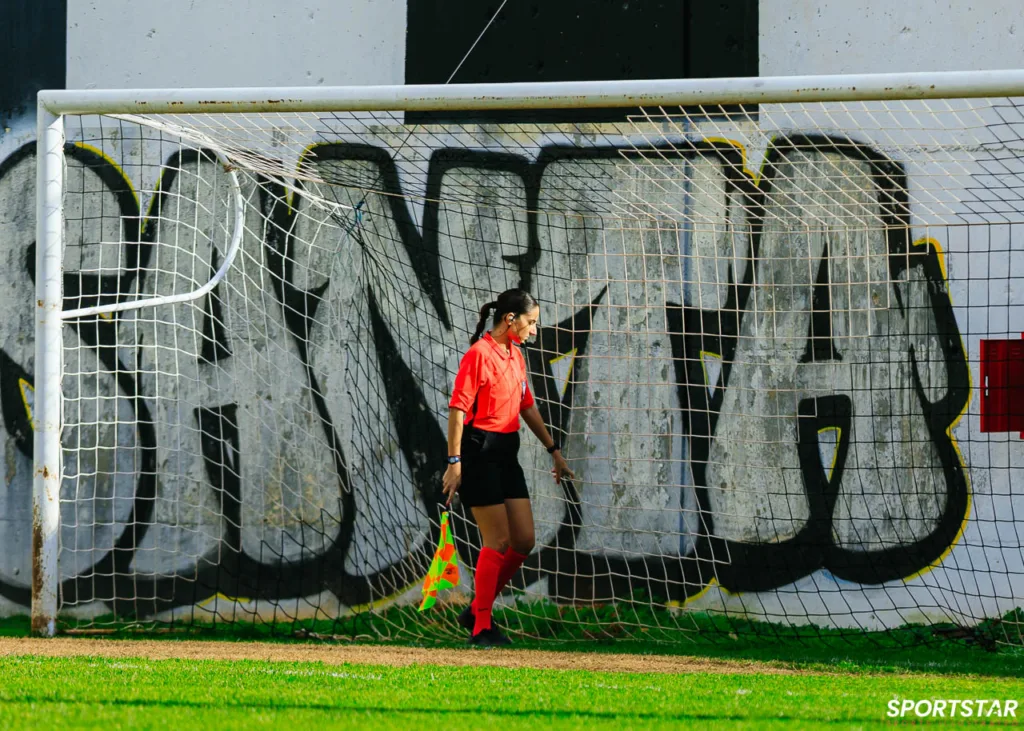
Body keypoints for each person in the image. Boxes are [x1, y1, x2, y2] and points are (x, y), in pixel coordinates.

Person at [442, 288, 574, 646]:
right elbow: (457, 410)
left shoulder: (515, 355)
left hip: (506, 454)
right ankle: (481, 625)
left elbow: (526, 405)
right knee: (497, 540)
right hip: (477, 453)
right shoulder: (478, 355)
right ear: (510, 319)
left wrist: (554, 450)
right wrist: (454, 462)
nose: (534, 330)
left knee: (523, 540)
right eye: (531, 323)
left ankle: (477, 608)